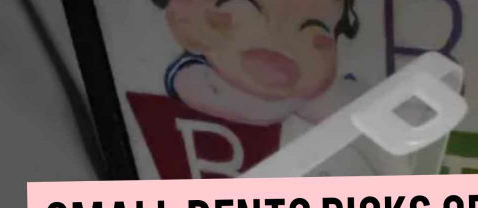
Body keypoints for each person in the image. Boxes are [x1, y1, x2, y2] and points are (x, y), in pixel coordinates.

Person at [152, 0, 364, 126]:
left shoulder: (314, 95)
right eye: (249, 7)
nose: (282, 42)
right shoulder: (193, 77)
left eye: (317, 32)